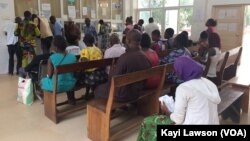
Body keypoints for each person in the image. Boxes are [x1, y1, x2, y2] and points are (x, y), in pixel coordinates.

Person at [137, 56, 221, 141]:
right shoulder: (210, 84)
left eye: (177, 71)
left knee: (148, 122)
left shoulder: (184, 88)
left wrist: (168, 111)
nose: (177, 74)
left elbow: (178, 120)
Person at [94, 29, 152, 102]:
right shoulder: (145, 57)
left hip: (123, 94)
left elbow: (113, 81)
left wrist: (112, 70)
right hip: (138, 91)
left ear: (128, 40)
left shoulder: (124, 58)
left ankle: (109, 110)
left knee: (98, 89)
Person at [41, 36, 77, 103]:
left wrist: (46, 78)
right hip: (71, 84)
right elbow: (74, 73)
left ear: (56, 47)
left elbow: (49, 75)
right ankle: (71, 99)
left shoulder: (51, 58)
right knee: (66, 76)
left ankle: (49, 105)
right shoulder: (73, 57)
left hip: (57, 86)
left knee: (42, 81)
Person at [80, 34, 105, 99]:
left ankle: (88, 93)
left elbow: (84, 63)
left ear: (85, 42)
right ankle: (91, 92)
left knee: (83, 73)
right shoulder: (98, 49)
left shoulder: (85, 50)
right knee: (88, 72)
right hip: (100, 74)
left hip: (91, 76)